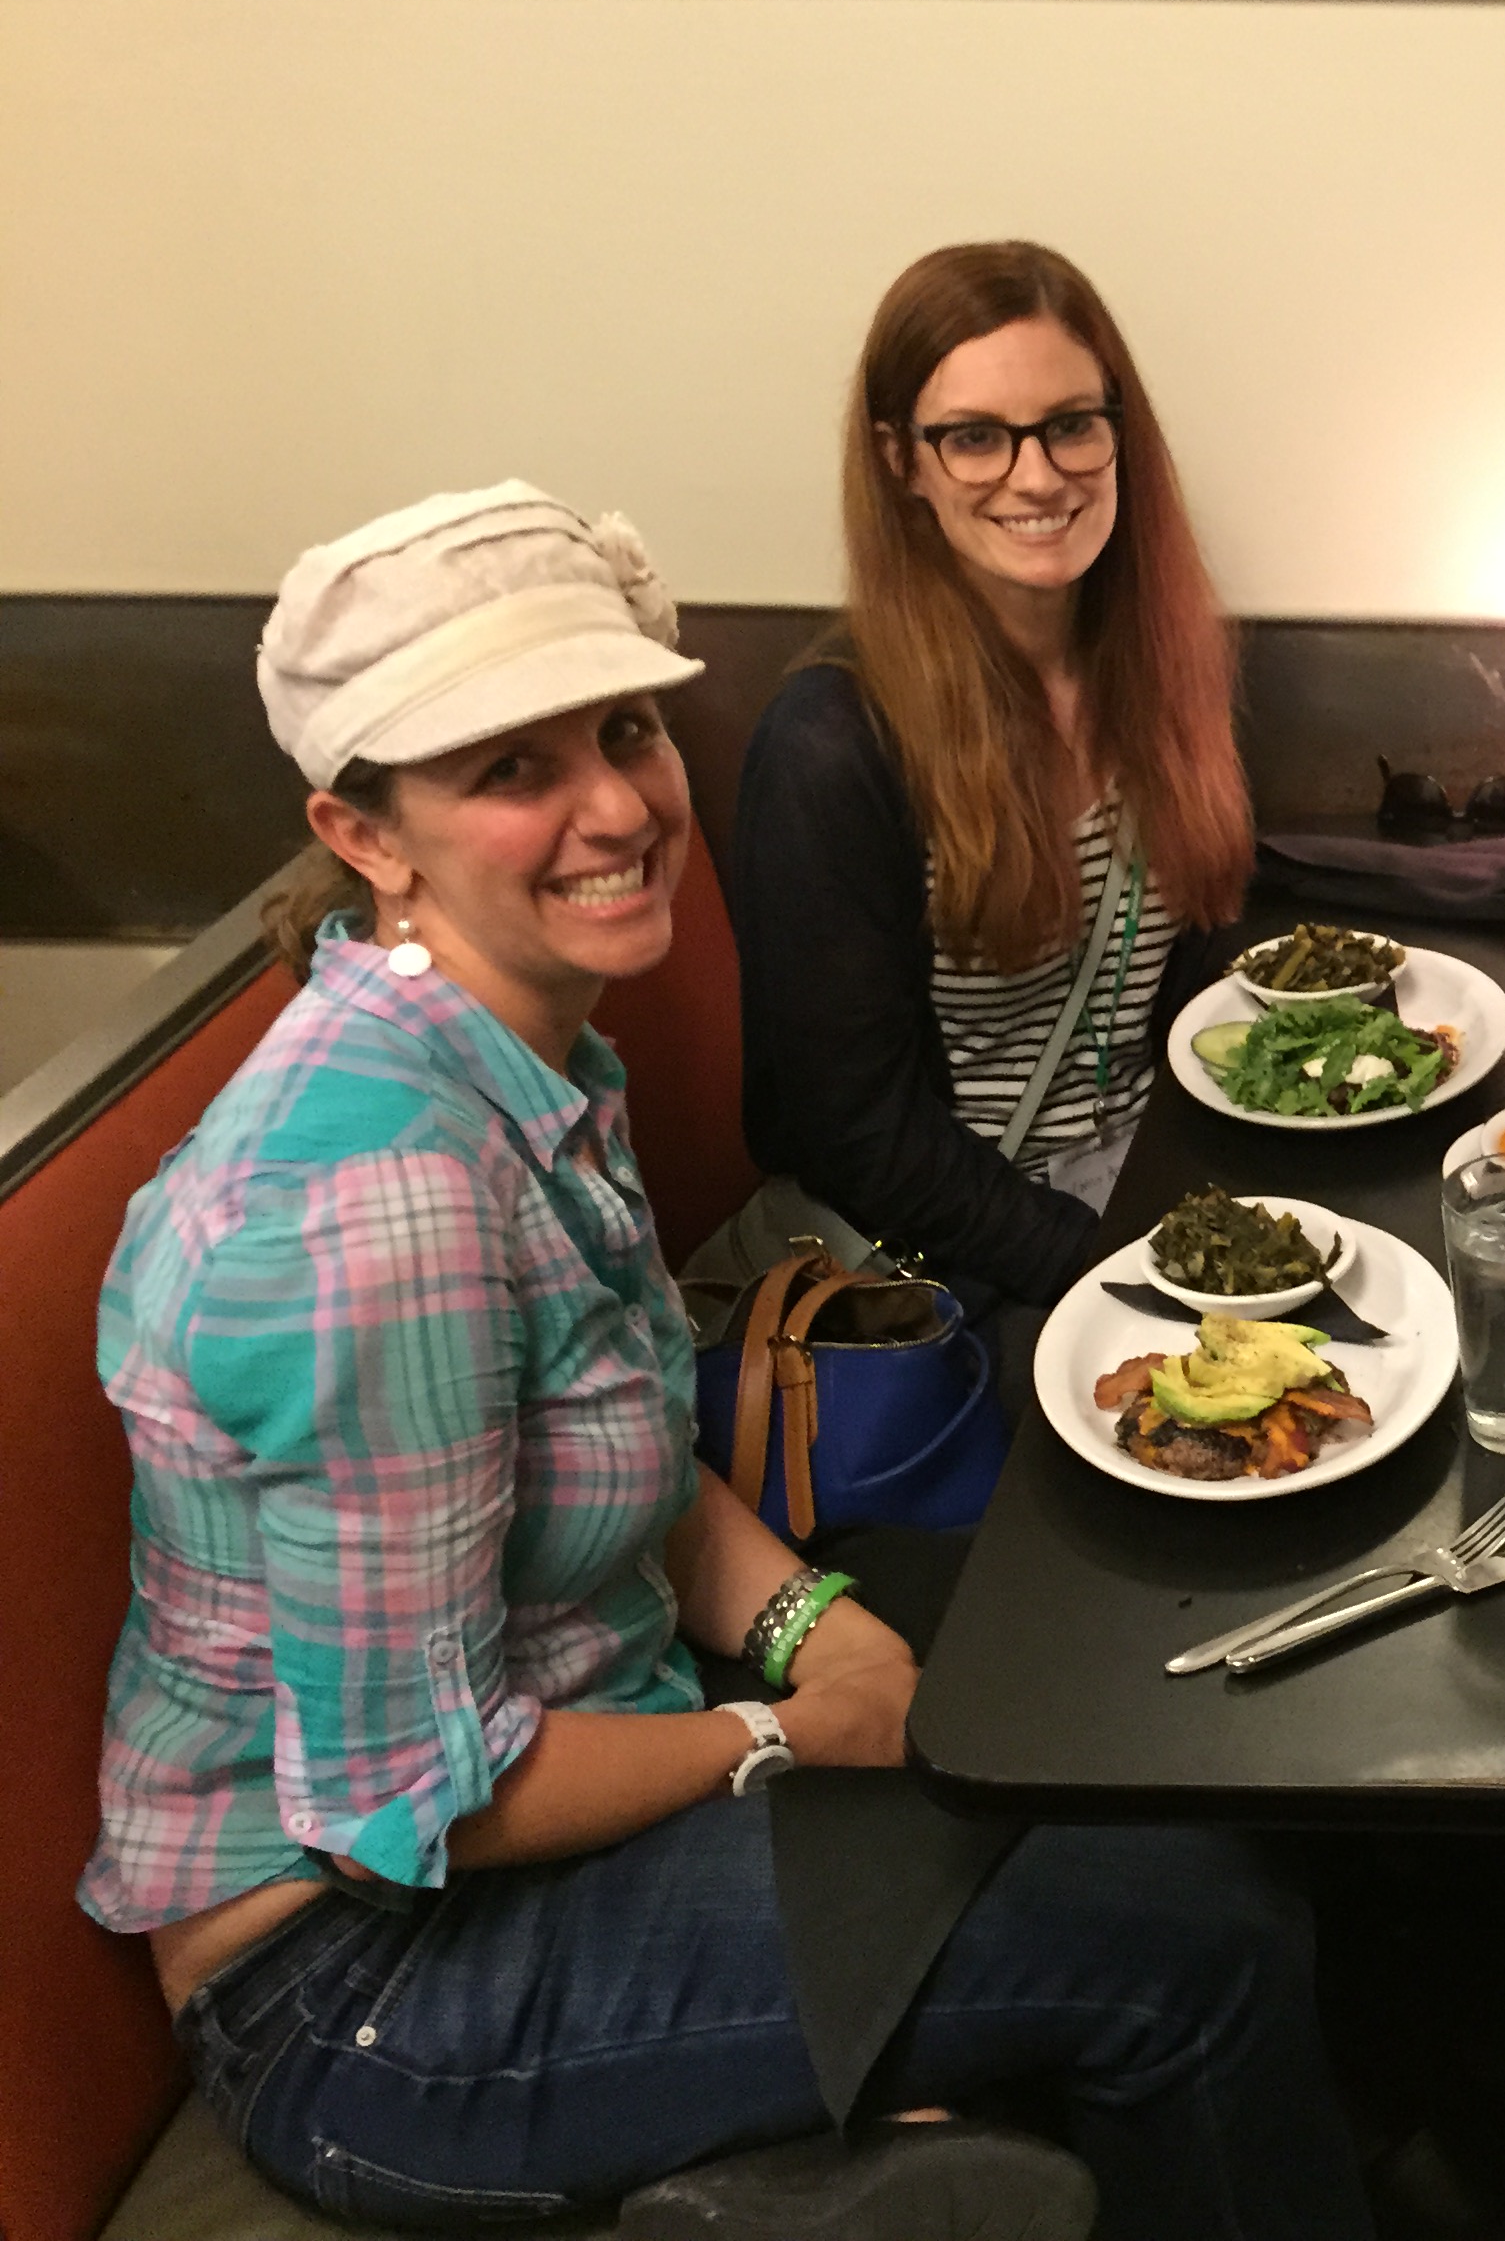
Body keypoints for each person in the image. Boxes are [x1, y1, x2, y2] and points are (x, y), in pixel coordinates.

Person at [86, 484, 1369, 2238]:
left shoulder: (521, 1054)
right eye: (513, 767)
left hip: (591, 1748)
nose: (620, 805)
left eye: (626, 731)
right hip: (371, 1980)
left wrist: (820, 1630)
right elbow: (410, 1805)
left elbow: (622, 1454)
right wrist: (781, 1728)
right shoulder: (375, 1199)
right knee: (1193, 1941)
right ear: (364, 833)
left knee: (1154, 1666)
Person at [730, 241, 1250, 1311]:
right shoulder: (829, 744)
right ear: (901, 461)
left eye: (1071, 425)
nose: (1038, 474)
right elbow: (856, 1133)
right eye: (974, 438)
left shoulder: (1158, 668)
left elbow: (1187, 983)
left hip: (1143, 1188)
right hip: (962, 1269)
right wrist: (1112, 1270)